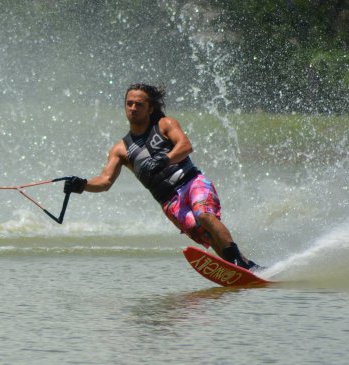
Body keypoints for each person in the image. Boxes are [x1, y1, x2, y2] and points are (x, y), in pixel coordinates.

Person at [65, 83, 260, 270]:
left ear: (150, 108)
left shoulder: (165, 124)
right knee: (203, 232)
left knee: (204, 214)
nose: (133, 108)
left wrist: (165, 160)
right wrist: (82, 185)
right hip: (169, 201)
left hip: (191, 182)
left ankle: (239, 261)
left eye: (139, 104)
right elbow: (105, 181)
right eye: (129, 103)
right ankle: (239, 268)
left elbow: (185, 146)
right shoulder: (120, 149)